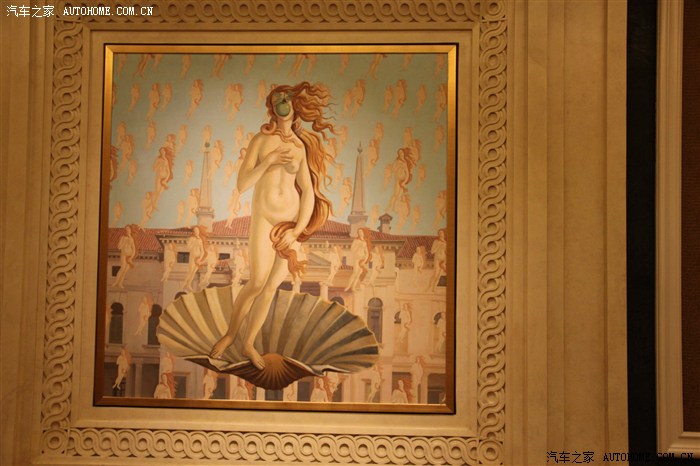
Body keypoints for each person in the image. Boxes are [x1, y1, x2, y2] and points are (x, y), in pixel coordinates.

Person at [209, 82, 335, 369]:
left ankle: (248, 343)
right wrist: (269, 161)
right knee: (256, 282)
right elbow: (243, 184)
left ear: (294, 106)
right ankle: (230, 335)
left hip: (290, 225)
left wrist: (297, 231)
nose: (282, 102)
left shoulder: (300, 147)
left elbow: (308, 191)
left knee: (271, 287)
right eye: (277, 99)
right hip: (264, 220)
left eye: (286, 98)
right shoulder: (260, 141)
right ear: (272, 107)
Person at [344, 228, 371, 292]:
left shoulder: (365, 242)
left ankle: (353, 287)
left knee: (359, 273)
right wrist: (358, 245)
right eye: (359, 232)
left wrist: (364, 261)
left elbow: (367, 253)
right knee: (355, 272)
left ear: (363, 233)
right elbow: (352, 249)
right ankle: (348, 286)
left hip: (362, 259)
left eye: (361, 232)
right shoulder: (356, 241)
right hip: (356, 258)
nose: (360, 233)